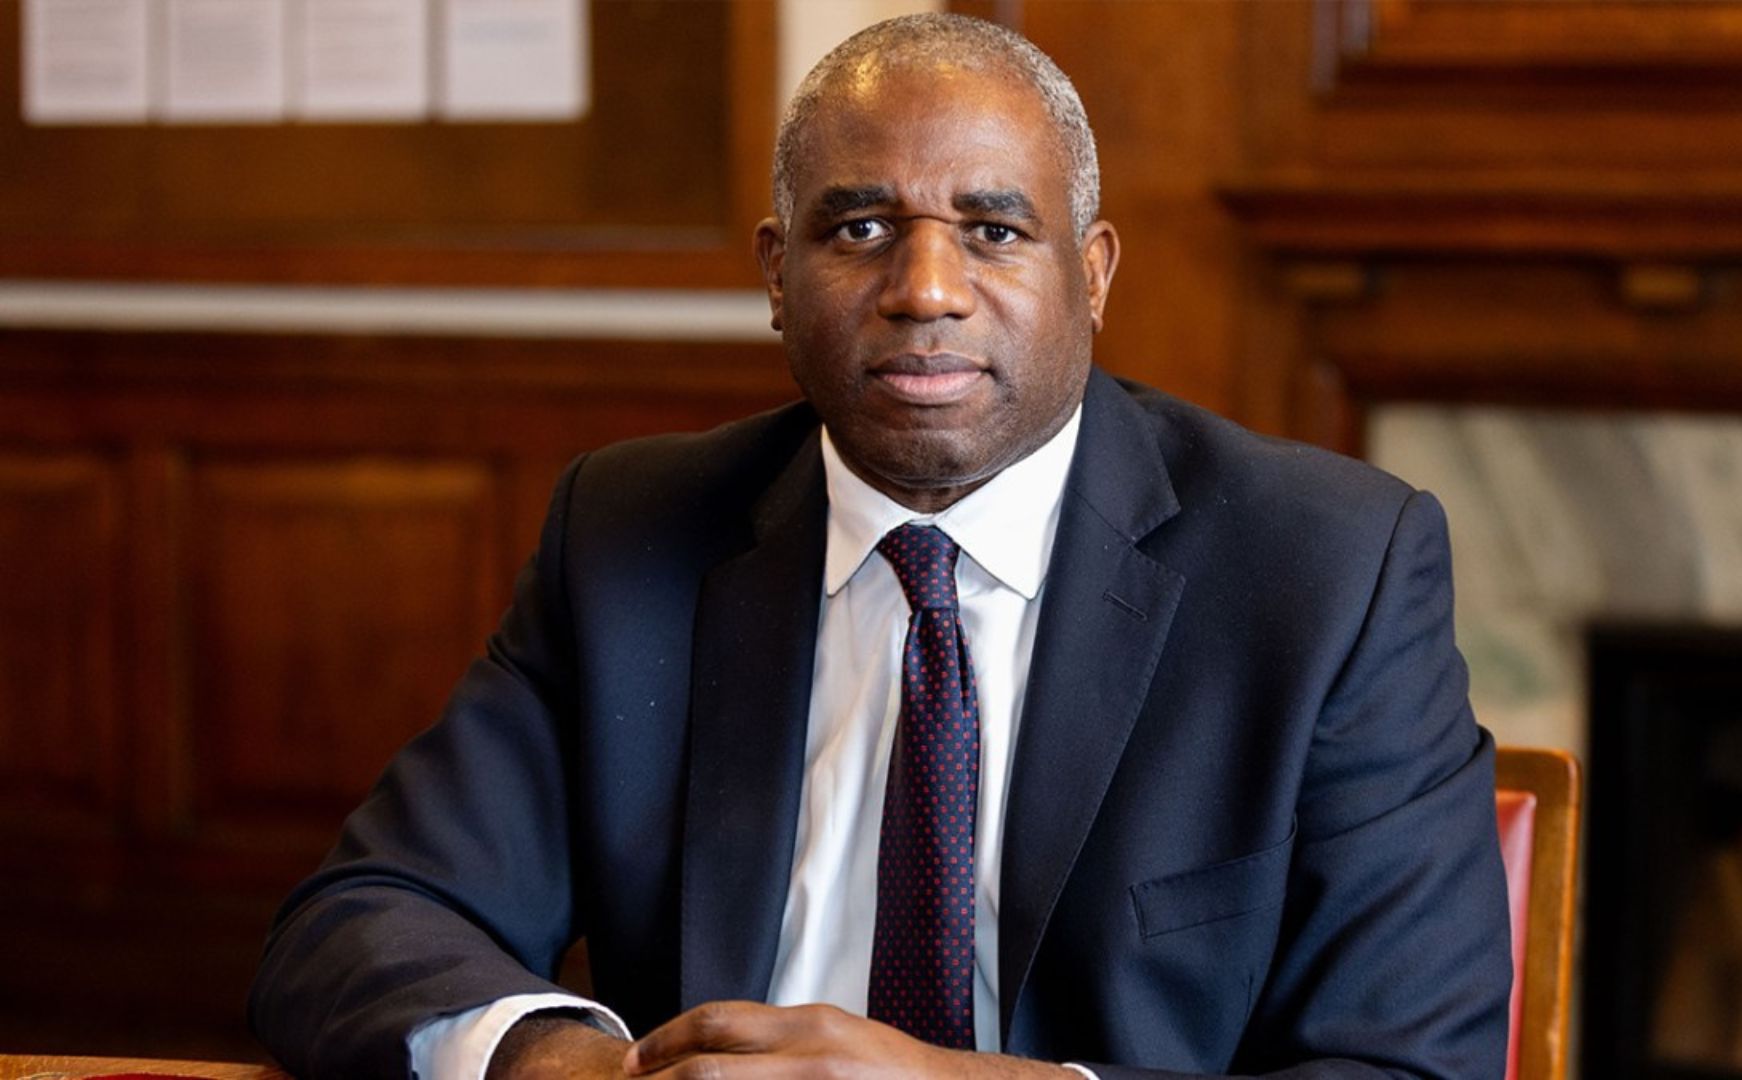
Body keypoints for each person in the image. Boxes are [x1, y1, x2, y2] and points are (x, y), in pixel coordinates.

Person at [249, 14, 1510, 1080]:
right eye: (859, 228)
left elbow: (1406, 1064)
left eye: (994, 230)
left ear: (1093, 274)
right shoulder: (630, 538)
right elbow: (365, 919)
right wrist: (584, 1068)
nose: (926, 289)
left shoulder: (1328, 572)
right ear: (776, 274)